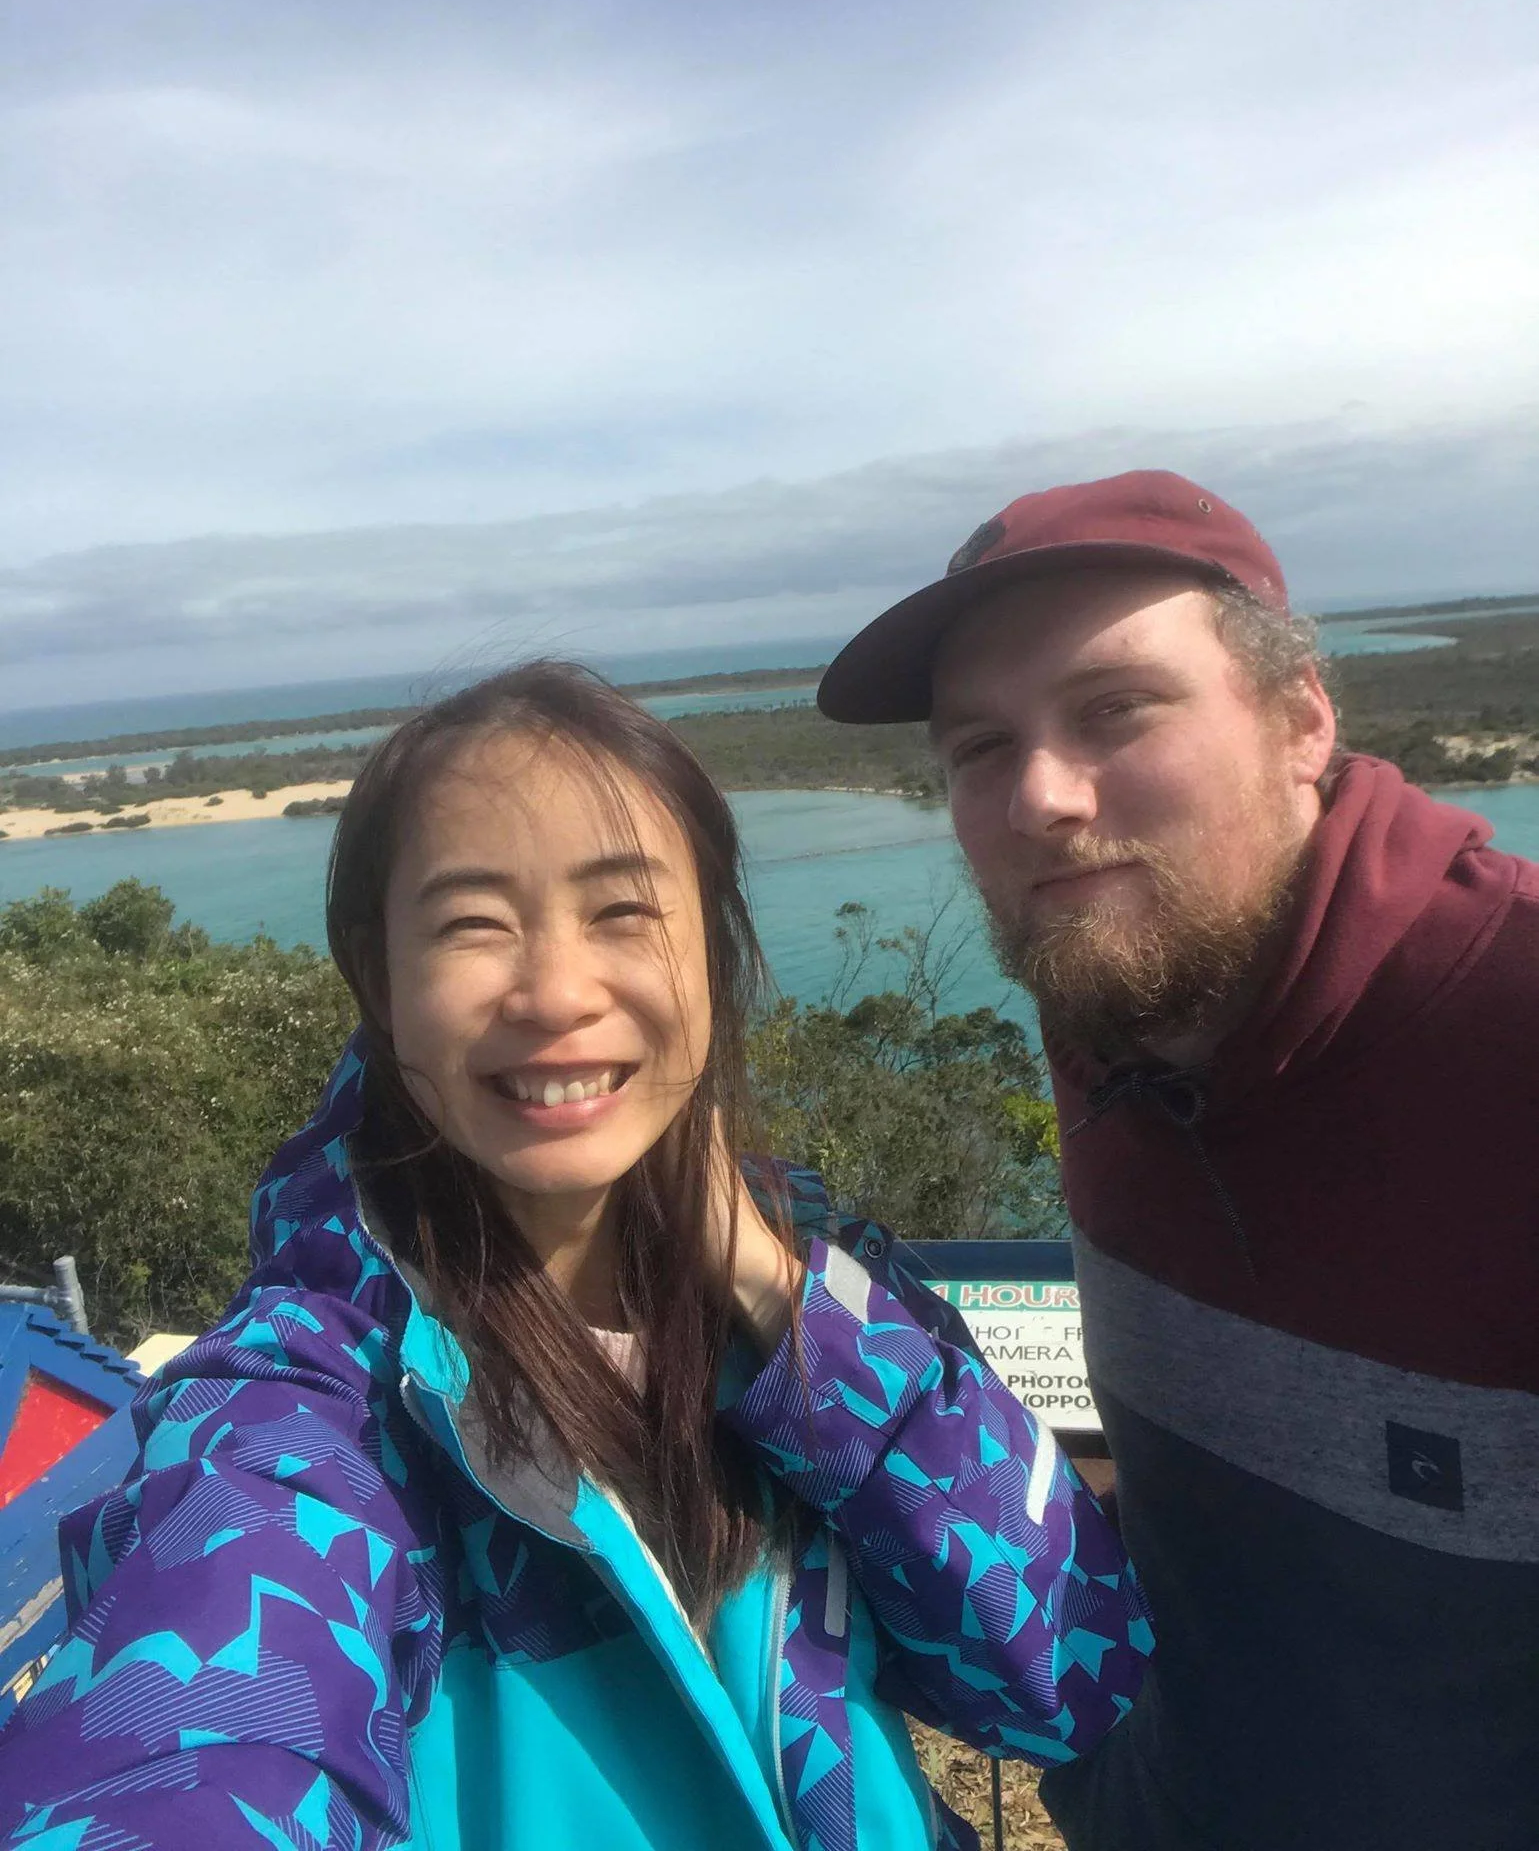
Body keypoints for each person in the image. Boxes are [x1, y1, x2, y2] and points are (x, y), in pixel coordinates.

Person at [0, 661, 1151, 1851]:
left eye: (623, 911)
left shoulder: (824, 1287)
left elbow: (1068, 1670)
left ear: (712, 945)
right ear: (377, 977)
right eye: (472, 922)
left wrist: (775, 1293)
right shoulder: (315, 1403)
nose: (556, 990)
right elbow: (197, 1732)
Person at [817, 468, 1539, 1851]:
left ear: (1300, 720)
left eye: (1113, 713)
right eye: (977, 746)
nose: (1038, 799)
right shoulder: (1112, 991)